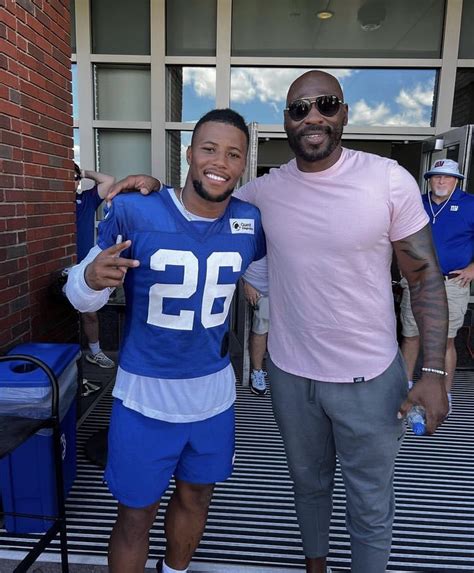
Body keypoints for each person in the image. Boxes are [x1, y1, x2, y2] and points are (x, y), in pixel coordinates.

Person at [107, 71, 449, 573]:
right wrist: (150, 187)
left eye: (326, 104)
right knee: (307, 488)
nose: (313, 117)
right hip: (292, 375)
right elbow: (202, 199)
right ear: (286, 121)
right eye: (299, 109)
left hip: (370, 377)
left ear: (344, 113)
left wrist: (434, 371)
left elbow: (424, 276)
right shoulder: (260, 196)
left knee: (370, 503)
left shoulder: (387, 178)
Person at [65, 109, 266, 573]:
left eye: (233, 154)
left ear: (243, 164)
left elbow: (276, 274)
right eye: (209, 149)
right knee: (135, 515)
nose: (220, 162)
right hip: (145, 395)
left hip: (213, 396)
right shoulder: (136, 208)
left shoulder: (250, 220)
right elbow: (80, 294)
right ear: (189, 153)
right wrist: (91, 279)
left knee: (197, 498)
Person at [400, 159, 474, 415]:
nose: (441, 181)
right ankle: (405, 390)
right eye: (436, 176)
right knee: (411, 337)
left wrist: (473, 268)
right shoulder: (416, 203)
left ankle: (443, 393)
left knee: (445, 341)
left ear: (457, 180)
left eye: (447, 176)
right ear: (429, 179)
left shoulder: (470, 204)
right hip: (417, 282)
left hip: (451, 283)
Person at [74, 162, 116, 369]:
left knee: (89, 312)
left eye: (75, 178)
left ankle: (95, 352)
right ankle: (70, 357)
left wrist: (82, 172)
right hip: (60, 267)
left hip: (84, 268)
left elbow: (109, 181)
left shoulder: (85, 200)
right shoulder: (51, 201)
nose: (72, 182)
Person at [242, 257, 269, 395]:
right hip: (262, 286)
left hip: (291, 285)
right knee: (261, 327)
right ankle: (257, 371)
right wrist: (246, 281)